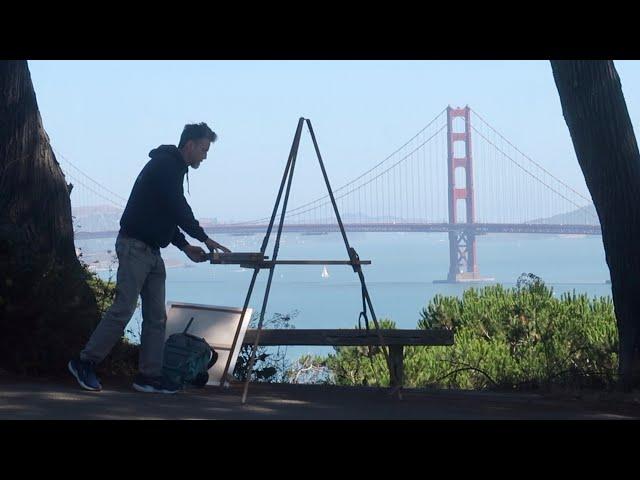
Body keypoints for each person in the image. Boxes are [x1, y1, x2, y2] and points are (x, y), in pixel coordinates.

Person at [68, 122, 230, 394]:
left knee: (156, 317)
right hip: (135, 247)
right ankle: (84, 362)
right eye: (203, 149)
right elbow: (178, 207)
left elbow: (164, 212)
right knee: (123, 308)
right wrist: (202, 237)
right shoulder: (167, 166)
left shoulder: (172, 168)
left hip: (152, 251)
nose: (205, 156)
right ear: (189, 145)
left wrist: (184, 246)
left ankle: (148, 377)